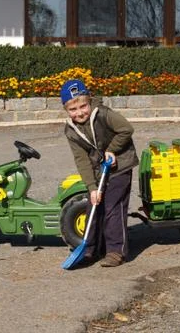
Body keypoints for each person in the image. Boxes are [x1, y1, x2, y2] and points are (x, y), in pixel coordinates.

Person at [60, 79, 139, 267]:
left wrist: (112, 149)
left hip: (120, 166)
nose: (79, 112)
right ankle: (90, 250)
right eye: (73, 109)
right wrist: (92, 187)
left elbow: (126, 129)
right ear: (66, 110)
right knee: (94, 206)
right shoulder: (71, 131)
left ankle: (115, 251)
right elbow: (82, 160)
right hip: (98, 170)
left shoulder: (103, 114)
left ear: (89, 101)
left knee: (113, 207)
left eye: (82, 106)